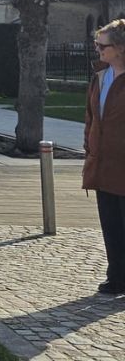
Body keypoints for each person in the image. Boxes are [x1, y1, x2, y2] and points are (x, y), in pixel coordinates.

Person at [86, 20, 125, 295]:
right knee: (110, 223)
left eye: (103, 45)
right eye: (96, 44)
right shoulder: (100, 76)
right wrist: (89, 147)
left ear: (120, 48)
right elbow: (91, 118)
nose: (97, 49)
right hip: (103, 163)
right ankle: (117, 276)